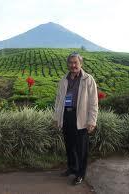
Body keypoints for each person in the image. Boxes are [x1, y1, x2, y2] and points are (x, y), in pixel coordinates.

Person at [53, 52, 98, 185]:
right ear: (68, 64)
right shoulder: (63, 80)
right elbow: (58, 100)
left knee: (81, 148)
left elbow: (93, 102)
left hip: (81, 117)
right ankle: (72, 168)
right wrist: (56, 117)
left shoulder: (88, 79)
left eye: (75, 63)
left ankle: (80, 174)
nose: (73, 65)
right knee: (69, 145)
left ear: (80, 64)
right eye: (71, 63)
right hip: (67, 115)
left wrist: (92, 120)